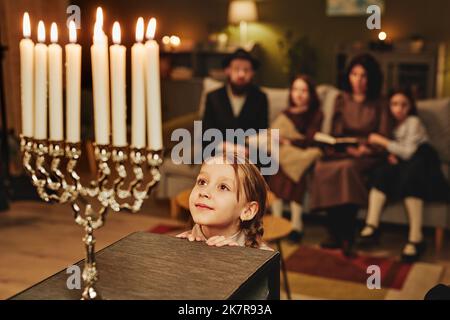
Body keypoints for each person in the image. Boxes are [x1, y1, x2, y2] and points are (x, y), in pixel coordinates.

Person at [309, 53, 391, 256]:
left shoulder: (379, 102)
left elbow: (383, 136)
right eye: (354, 74)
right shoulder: (341, 99)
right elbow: (337, 133)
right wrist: (344, 147)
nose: (358, 80)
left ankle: (346, 235)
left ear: (371, 78)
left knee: (346, 170)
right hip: (345, 150)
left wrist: (365, 149)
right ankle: (334, 231)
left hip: (368, 154)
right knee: (322, 167)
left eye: (363, 76)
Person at [359, 89, 450, 262]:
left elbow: (409, 152)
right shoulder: (389, 125)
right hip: (404, 162)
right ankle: (372, 225)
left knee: (412, 176)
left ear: (410, 107)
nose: (399, 109)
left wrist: (383, 142)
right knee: (382, 172)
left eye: (403, 104)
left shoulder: (413, 121)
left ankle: (416, 238)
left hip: (423, 161)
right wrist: (390, 153)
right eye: (394, 104)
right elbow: (397, 151)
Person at [176, 152, 272, 251]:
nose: (204, 192)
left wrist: (234, 257)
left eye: (223, 187)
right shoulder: (180, 244)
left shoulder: (264, 257)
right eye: (202, 182)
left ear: (248, 211)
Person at [267, 75, 323, 242]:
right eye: (296, 90)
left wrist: (290, 140)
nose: (299, 94)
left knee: (296, 171)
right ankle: (277, 220)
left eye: (304, 90)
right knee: (277, 168)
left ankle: (296, 224)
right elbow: (274, 133)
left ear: (311, 94)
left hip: (301, 153)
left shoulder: (315, 114)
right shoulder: (285, 113)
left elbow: (311, 138)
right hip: (283, 154)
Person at [202, 48, 268, 143]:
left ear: (252, 73)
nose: (241, 74)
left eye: (246, 70)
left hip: (249, 153)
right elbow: (206, 135)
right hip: (218, 152)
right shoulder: (213, 97)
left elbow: (262, 134)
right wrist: (228, 148)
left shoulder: (260, 98)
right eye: (236, 69)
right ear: (227, 70)